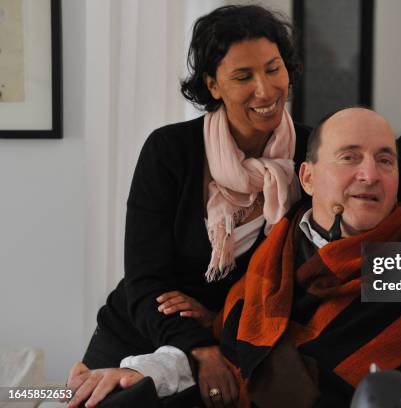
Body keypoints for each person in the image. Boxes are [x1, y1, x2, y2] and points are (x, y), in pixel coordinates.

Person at [65, 5, 310, 408]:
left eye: (273, 69)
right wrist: (200, 348)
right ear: (213, 85)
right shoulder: (170, 150)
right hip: (147, 327)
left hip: (238, 334)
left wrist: (216, 320)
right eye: (243, 76)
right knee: (62, 396)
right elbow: (145, 279)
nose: (265, 90)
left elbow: (295, 277)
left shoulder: (312, 154)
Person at [211, 107, 401, 407]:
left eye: (385, 160)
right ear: (308, 178)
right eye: (349, 157)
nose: (370, 175)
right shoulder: (272, 252)